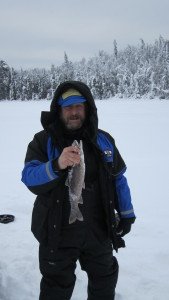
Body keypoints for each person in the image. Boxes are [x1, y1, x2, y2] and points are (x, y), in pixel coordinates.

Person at [21, 81, 136, 300]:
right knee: (56, 287)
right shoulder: (43, 140)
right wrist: (56, 164)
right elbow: (29, 177)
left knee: (105, 279)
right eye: (68, 107)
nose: (74, 112)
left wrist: (127, 213)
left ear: (87, 108)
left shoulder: (103, 140)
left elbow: (118, 178)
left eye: (79, 107)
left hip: (98, 228)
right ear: (59, 110)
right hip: (57, 231)